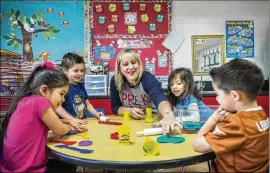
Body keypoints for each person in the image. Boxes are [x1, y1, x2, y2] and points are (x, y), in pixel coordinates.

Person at [0, 61, 87, 172]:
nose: (63, 99)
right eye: (61, 94)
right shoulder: (40, 101)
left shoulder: (25, 101)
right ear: (44, 90)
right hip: (28, 170)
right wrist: (71, 127)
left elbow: (52, 123)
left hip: (9, 168)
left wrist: (69, 121)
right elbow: (59, 130)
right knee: (68, 165)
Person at [192, 58, 269, 172]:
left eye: (218, 94)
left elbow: (197, 145)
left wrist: (213, 119)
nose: (217, 98)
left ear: (235, 96)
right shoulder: (261, 114)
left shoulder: (236, 124)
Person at [110, 48, 181, 134]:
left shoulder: (148, 78)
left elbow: (160, 98)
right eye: (125, 64)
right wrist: (129, 111)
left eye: (133, 63)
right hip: (131, 122)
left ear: (139, 64)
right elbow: (115, 107)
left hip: (153, 121)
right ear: (119, 68)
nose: (131, 67)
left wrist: (168, 115)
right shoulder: (115, 81)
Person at [56, 52, 105, 124]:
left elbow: (87, 104)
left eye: (82, 70)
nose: (80, 74)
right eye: (76, 71)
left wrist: (96, 114)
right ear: (65, 70)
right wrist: (72, 119)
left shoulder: (81, 86)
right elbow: (58, 107)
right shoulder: (61, 88)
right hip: (68, 125)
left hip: (82, 123)